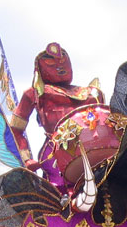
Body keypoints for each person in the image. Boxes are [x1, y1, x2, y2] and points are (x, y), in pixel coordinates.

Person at [9, 42, 103, 173]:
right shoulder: (33, 93)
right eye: (51, 64)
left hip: (96, 150)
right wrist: (26, 159)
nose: (60, 66)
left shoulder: (89, 92)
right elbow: (14, 129)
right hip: (57, 156)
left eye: (63, 61)